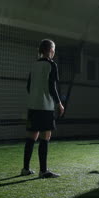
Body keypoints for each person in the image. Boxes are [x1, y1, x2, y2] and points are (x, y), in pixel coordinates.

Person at [21, 39, 64, 179]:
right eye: (54, 49)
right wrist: (59, 103)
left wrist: (35, 96)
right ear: (50, 50)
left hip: (32, 106)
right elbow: (52, 87)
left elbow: (28, 86)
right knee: (46, 135)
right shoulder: (51, 65)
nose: (54, 52)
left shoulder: (34, 65)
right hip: (45, 106)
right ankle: (43, 171)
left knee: (31, 136)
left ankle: (25, 169)